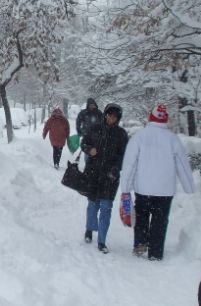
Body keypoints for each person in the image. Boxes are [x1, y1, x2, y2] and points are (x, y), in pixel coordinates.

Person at [120, 103, 195, 261]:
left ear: (150, 118)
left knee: (141, 216)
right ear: (165, 120)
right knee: (160, 221)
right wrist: (190, 188)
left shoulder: (140, 137)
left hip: (143, 189)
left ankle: (140, 243)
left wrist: (125, 188)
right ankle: (156, 251)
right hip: (165, 190)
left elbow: (129, 164)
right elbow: (182, 165)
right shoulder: (172, 139)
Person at [81, 103, 128, 253]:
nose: (111, 118)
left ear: (118, 118)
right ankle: (89, 229)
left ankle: (102, 241)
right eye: (109, 115)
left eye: (115, 116)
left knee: (106, 208)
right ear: (105, 114)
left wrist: (115, 168)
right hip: (93, 173)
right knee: (93, 205)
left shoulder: (121, 134)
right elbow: (84, 144)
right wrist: (89, 150)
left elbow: (124, 156)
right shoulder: (95, 129)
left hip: (110, 177)